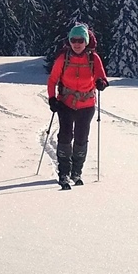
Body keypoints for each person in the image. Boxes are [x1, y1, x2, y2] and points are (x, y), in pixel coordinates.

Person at [47, 22, 108, 190]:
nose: (77, 43)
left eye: (81, 40)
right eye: (73, 40)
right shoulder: (63, 58)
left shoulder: (93, 58)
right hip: (65, 103)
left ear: (86, 41)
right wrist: (52, 99)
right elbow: (52, 80)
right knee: (65, 136)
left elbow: (102, 76)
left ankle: (77, 172)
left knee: (81, 138)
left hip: (87, 104)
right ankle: (64, 172)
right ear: (69, 41)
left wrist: (101, 82)